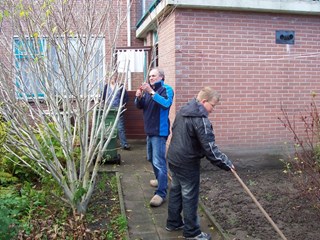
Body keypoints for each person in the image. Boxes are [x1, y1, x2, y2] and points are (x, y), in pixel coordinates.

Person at [166, 87, 235, 240]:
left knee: (176, 190)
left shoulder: (184, 109)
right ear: (204, 101)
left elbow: (175, 130)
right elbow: (210, 148)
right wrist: (226, 163)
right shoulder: (200, 119)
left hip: (173, 158)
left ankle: (173, 223)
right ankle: (192, 233)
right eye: (213, 105)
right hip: (187, 162)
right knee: (190, 196)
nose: (213, 109)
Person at [134, 68, 174, 207]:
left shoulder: (166, 89)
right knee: (151, 158)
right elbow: (140, 106)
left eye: (154, 76)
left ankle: (161, 193)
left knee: (159, 162)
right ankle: (160, 179)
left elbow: (166, 104)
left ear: (161, 77)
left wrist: (151, 92)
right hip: (150, 131)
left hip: (159, 132)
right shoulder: (148, 90)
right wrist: (138, 97)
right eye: (150, 76)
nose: (151, 78)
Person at [102, 74, 130, 150]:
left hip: (118, 110)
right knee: (109, 127)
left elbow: (126, 97)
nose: (112, 78)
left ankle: (124, 144)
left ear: (116, 77)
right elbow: (103, 98)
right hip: (108, 110)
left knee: (120, 127)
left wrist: (122, 105)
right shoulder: (106, 87)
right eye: (110, 76)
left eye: (113, 76)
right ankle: (108, 145)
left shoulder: (120, 86)